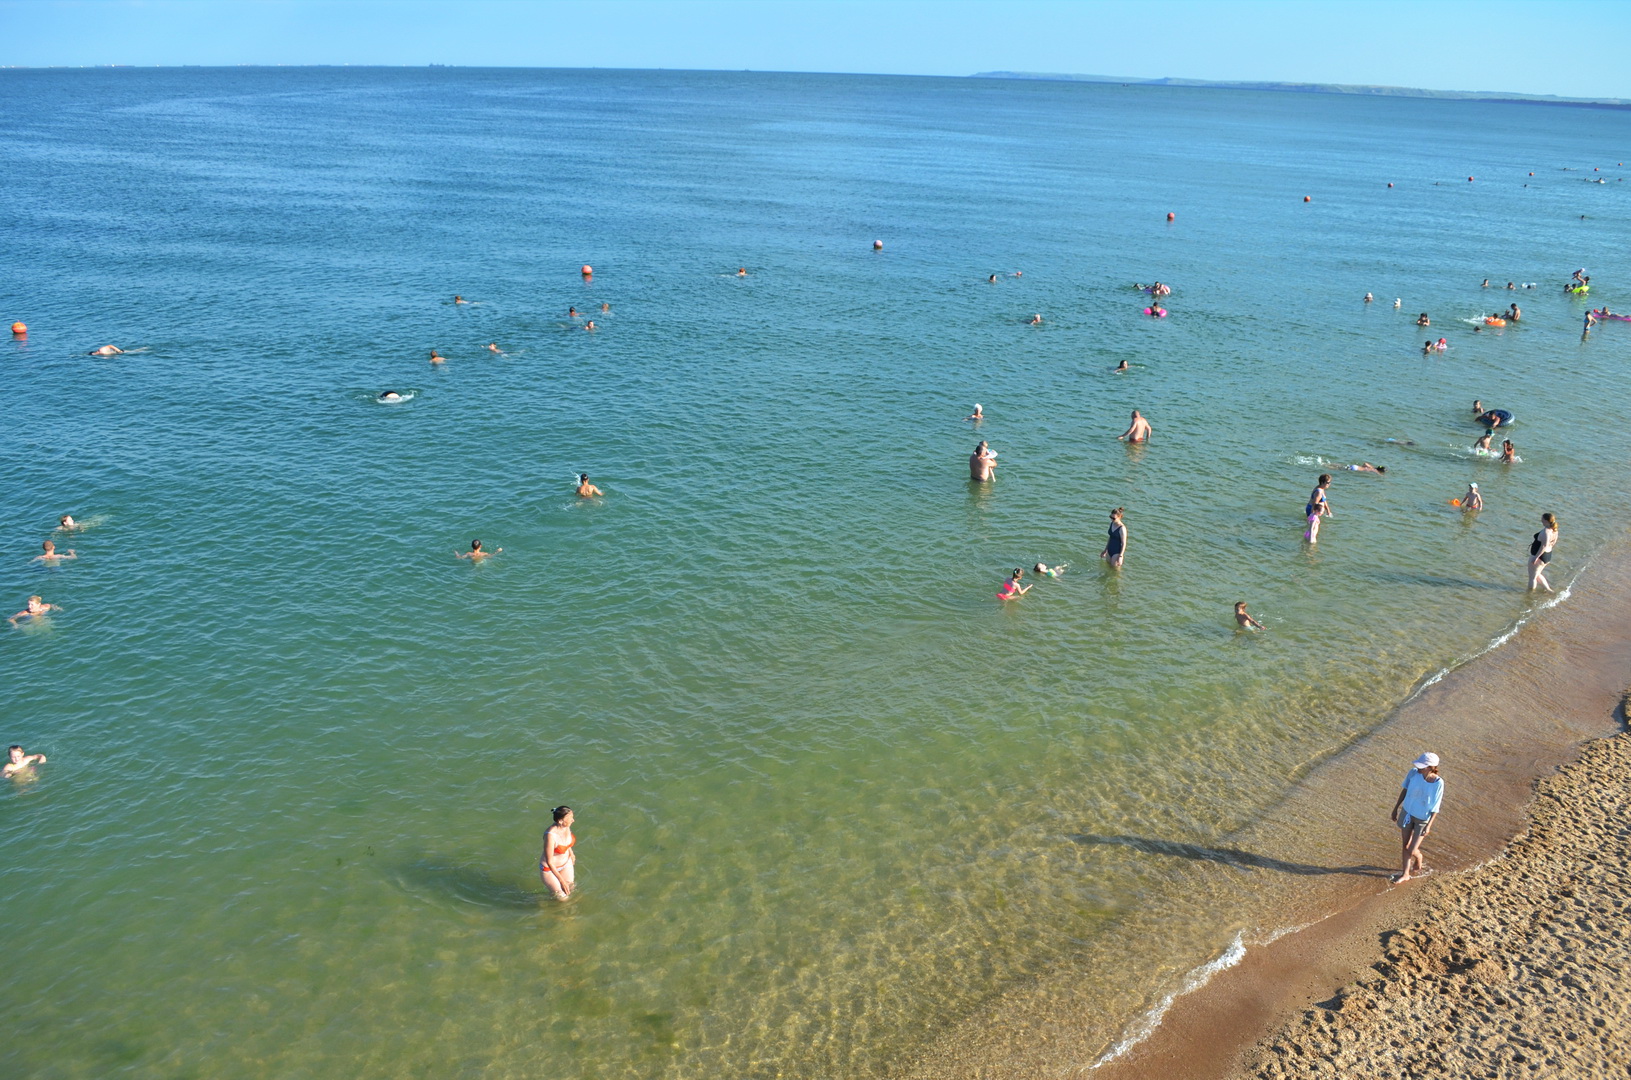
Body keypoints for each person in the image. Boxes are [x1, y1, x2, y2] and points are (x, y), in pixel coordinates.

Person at [1390, 753, 1443, 883]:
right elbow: (1405, 790)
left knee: (1412, 849)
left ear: (1431, 767)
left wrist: (1429, 825)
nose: (1419, 768)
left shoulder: (1438, 783)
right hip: (1407, 813)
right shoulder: (1413, 773)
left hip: (1422, 819)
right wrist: (1396, 808)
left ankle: (1418, 857)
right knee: (1405, 845)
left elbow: (1435, 807)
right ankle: (1405, 874)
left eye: (1423, 767)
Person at [540, 805, 576, 901]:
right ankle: (544, 903)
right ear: (560, 821)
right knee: (562, 898)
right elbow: (549, 862)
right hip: (550, 869)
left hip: (566, 863)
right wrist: (562, 881)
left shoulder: (566, 826)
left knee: (571, 889)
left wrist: (571, 853)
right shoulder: (550, 836)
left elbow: (566, 842)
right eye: (570, 818)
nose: (573, 820)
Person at [1528, 512, 1558, 592]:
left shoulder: (1546, 532)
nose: (1541, 520)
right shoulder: (1554, 530)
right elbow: (1553, 542)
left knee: (1532, 578)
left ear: (1546, 521)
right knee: (1537, 574)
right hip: (1547, 555)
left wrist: (1536, 557)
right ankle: (1548, 590)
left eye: (1542, 519)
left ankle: (1530, 595)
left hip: (1540, 556)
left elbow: (1544, 546)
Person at [1305, 475, 1332, 543]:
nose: (1329, 484)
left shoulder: (1321, 489)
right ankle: (1310, 538)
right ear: (1323, 483)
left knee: (1313, 525)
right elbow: (1315, 504)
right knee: (1313, 526)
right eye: (1328, 482)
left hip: (1317, 510)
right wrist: (1313, 515)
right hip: (1314, 509)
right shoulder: (1319, 492)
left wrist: (1327, 510)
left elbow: (1324, 500)